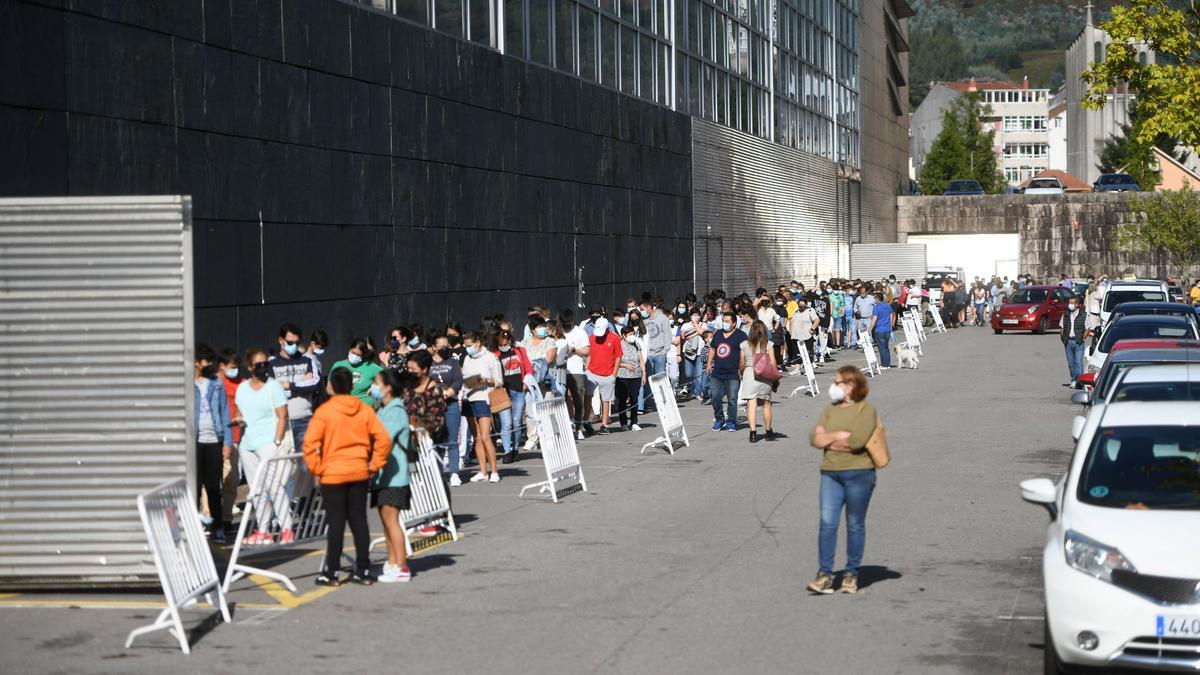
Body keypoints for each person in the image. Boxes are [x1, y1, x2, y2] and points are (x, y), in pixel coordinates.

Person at [303, 367, 392, 587]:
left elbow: (309, 444)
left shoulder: (324, 411)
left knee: (336, 524)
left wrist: (317, 468)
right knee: (359, 521)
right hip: (359, 471)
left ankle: (331, 572)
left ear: (330, 385)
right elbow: (383, 440)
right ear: (352, 387)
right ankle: (363, 569)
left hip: (332, 474)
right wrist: (374, 465)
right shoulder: (364, 409)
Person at [806, 366, 880, 595]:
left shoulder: (866, 410)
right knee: (827, 524)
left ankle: (851, 574)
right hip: (830, 472)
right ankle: (825, 574)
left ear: (850, 385)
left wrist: (828, 437)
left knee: (855, 524)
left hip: (860, 473)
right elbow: (814, 438)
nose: (833, 386)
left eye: (837, 382)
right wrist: (839, 436)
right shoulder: (831, 409)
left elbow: (857, 442)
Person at [235, 348, 293, 545]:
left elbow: (282, 416)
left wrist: (276, 441)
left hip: (268, 443)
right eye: (259, 365)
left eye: (265, 364)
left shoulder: (273, 386)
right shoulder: (242, 388)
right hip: (247, 445)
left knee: (274, 486)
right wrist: (238, 419)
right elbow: (239, 411)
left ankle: (287, 528)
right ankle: (264, 530)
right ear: (250, 367)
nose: (263, 368)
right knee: (256, 489)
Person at [370, 370, 414, 583]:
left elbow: (383, 439)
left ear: (388, 387)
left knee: (392, 521)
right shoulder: (383, 408)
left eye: (377, 383)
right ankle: (392, 562)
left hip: (394, 476)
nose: (373, 387)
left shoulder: (396, 410)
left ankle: (402, 565)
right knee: (386, 521)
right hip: (383, 475)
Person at [194, 344, 233, 543]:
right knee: (194, 486)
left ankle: (218, 528)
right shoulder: (187, 383)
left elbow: (225, 412)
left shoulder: (216, 383)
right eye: (207, 361)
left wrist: (227, 442)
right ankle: (195, 527)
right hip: (194, 442)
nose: (211, 365)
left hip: (213, 441)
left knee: (213, 486)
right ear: (196, 363)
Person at [268, 323, 321, 454]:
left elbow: (314, 384)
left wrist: (289, 386)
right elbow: (270, 391)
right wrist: (301, 384)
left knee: (306, 465)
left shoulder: (307, 360)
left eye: (297, 343)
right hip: (281, 422)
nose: (294, 346)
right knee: (284, 467)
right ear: (281, 340)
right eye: (290, 342)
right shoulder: (271, 363)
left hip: (305, 420)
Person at [462, 332, 503, 483]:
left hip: (483, 398)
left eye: (469, 345)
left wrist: (485, 380)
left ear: (478, 343)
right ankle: (482, 471)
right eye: (465, 346)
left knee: (485, 437)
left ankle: (494, 471)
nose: (467, 349)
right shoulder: (467, 358)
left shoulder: (490, 357)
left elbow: (499, 381)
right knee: (477, 437)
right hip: (468, 398)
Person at [430, 334, 465, 486]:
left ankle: (454, 473)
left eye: (447, 346)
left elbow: (458, 380)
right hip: (433, 408)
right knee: (437, 441)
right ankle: (437, 473)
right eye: (442, 346)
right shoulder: (428, 364)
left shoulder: (453, 362)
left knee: (452, 440)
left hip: (450, 404)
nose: (445, 348)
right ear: (434, 347)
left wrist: (448, 392)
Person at [494, 330, 532, 462]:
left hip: (518, 390)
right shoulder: (495, 355)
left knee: (516, 421)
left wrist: (526, 382)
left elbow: (528, 367)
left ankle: (515, 448)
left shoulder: (520, 351)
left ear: (510, 341)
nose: (503, 345)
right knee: (506, 423)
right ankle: (507, 451)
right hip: (503, 393)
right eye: (500, 343)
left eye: (505, 342)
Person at [706, 310, 746, 432]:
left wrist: (742, 369)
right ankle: (719, 419)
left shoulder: (741, 335)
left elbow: (743, 354)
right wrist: (709, 364)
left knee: (732, 399)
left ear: (734, 323)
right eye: (724, 321)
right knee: (715, 396)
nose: (725, 323)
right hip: (717, 373)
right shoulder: (718, 334)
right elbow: (712, 349)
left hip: (733, 373)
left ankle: (731, 421)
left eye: (728, 321)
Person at [739, 321, 778, 443]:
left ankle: (753, 433)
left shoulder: (744, 344)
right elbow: (773, 363)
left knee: (751, 405)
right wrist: (774, 376)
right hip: (764, 374)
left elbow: (742, 363)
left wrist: (742, 373)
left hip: (750, 373)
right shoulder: (768, 344)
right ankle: (768, 431)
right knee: (766, 404)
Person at [586, 318, 623, 434]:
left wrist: (614, 374)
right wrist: (586, 369)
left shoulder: (614, 337)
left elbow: (618, 356)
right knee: (588, 396)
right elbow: (589, 355)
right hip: (592, 371)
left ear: (607, 329)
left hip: (608, 374)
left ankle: (605, 424)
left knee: (606, 400)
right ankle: (586, 421)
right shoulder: (592, 337)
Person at [561, 310, 592, 439]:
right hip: (561, 370)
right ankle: (567, 425)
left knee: (578, 399)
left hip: (576, 370)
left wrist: (574, 349)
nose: (566, 325)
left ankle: (578, 428)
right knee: (562, 399)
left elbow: (587, 350)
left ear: (572, 321)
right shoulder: (558, 331)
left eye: (568, 323)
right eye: (564, 323)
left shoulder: (580, 332)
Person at [329, 337, 385, 405]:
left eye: (358, 355)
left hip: (364, 409)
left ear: (363, 355)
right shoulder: (338, 365)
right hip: (343, 406)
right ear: (349, 349)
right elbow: (329, 389)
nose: (354, 356)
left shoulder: (371, 367)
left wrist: (374, 389)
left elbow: (388, 379)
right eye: (353, 352)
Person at [616, 324, 647, 431]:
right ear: (623, 335)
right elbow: (615, 361)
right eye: (629, 334)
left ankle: (634, 421)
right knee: (622, 399)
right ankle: (623, 422)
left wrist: (644, 373)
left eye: (633, 334)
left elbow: (641, 360)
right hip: (622, 375)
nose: (632, 336)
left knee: (634, 398)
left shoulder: (636, 344)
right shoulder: (618, 345)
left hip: (636, 375)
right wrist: (625, 365)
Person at [1059, 295, 1087, 388]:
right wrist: (1063, 338)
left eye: (1072, 303)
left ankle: (1080, 381)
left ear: (1077, 304)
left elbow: (1088, 328)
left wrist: (1083, 338)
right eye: (1069, 303)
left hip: (1078, 341)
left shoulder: (1083, 315)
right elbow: (1062, 328)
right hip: (1068, 341)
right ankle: (1073, 380)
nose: (1070, 305)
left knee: (1078, 362)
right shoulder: (1066, 315)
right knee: (1071, 363)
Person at [869, 292, 894, 369]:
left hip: (879, 330)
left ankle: (884, 364)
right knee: (886, 347)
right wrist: (890, 326)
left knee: (881, 348)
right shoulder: (888, 306)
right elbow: (891, 316)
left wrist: (870, 330)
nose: (874, 300)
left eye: (875, 298)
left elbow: (874, 320)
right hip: (887, 329)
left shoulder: (876, 308)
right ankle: (888, 363)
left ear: (877, 299)